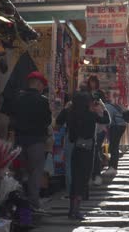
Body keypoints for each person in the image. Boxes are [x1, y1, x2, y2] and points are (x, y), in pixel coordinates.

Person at [55, 92, 110, 220]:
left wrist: (66, 108)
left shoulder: (70, 113)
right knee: (83, 179)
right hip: (87, 150)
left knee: (75, 179)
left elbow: (58, 122)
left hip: (74, 149)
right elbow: (106, 120)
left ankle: (71, 210)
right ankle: (76, 210)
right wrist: (103, 107)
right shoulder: (91, 115)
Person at [12, 71, 52, 213]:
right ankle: (33, 203)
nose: (42, 88)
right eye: (42, 85)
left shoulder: (18, 98)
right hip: (36, 141)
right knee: (35, 172)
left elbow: (12, 118)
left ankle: (18, 203)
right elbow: (47, 121)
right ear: (37, 84)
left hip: (19, 141)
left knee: (20, 172)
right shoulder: (42, 101)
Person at [86, 75, 107, 186]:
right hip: (90, 127)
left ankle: (96, 174)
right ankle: (93, 174)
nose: (92, 84)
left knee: (96, 149)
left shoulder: (100, 94)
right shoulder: (86, 93)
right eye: (91, 82)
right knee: (93, 151)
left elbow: (104, 110)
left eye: (94, 82)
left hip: (100, 128)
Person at [103, 93, 127, 177]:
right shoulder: (112, 105)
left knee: (113, 146)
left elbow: (109, 120)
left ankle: (112, 167)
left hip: (116, 127)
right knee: (114, 146)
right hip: (121, 126)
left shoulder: (107, 107)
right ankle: (113, 167)